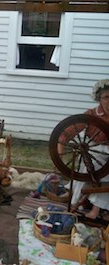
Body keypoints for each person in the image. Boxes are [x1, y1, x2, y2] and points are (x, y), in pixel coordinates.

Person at [58, 79, 109, 220]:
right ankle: (79, 200)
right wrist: (60, 154)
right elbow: (66, 133)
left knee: (104, 169)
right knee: (97, 164)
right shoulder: (92, 114)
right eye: (106, 97)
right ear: (99, 99)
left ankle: (96, 209)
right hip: (94, 150)